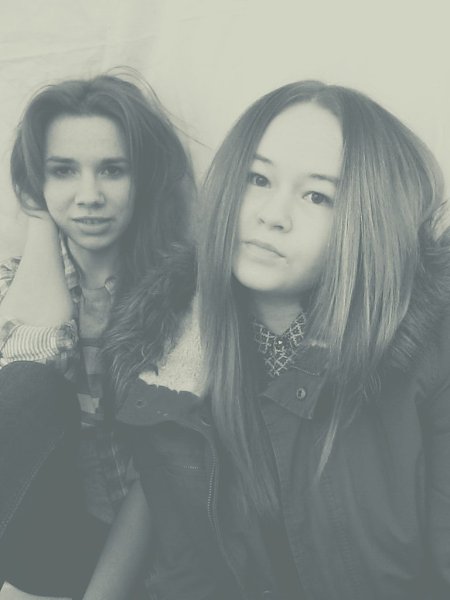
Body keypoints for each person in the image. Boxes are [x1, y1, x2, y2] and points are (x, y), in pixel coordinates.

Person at [91, 80, 450, 599]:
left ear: (369, 217)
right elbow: (189, 575)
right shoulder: (163, 362)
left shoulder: (431, 349)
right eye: (257, 179)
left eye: (317, 195)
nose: (272, 215)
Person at [0, 71, 195, 598]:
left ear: (144, 178)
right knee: (27, 383)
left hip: (161, 543)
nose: (89, 196)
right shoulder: (13, 286)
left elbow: (159, 471)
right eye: (63, 171)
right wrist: (41, 217)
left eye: (112, 170)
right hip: (55, 538)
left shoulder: (184, 292)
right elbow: (21, 397)